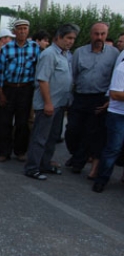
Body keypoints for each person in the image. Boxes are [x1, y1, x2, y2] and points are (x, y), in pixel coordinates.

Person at [24, 24, 79, 180]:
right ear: (58, 38)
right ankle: (32, 167)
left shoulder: (66, 55)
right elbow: (43, 80)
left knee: (52, 137)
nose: (71, 41)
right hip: (48, 105)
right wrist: (48, 103)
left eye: (73, 38)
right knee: (40, 138)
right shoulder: (49, 54)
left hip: (59, 104)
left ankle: (45, 164)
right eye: (68, 38)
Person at [64, 22, 119, 177]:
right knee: (72, 130)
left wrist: (108, 99)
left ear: (106, 35)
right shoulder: (79, 52)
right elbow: (73, 75)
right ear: (91, 34)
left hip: (99, 98)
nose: (99, 37)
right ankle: (76, 155)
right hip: (80, 96)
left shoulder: (114, 54)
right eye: (96, 34)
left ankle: (78, 163)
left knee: (90, 132)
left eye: (103, 34)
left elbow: (114, 78)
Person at [0, 19, 40, 163]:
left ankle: (20, 151)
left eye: (25, 28)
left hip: (25, 89)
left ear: (28, 30)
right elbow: (0, 71)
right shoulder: (7, 48)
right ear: (15, 31)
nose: (22, 31)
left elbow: (38, 69)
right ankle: (4, 152)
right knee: (4, 122)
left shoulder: (35, 47)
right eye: (19, 29)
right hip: (9, 88)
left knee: (22, 122)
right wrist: (0, 92)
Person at [92, 55, 124, 192]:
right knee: (113, 148)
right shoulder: (122, 68)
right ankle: (101, 179)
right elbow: (115, 94)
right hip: (119, 114)